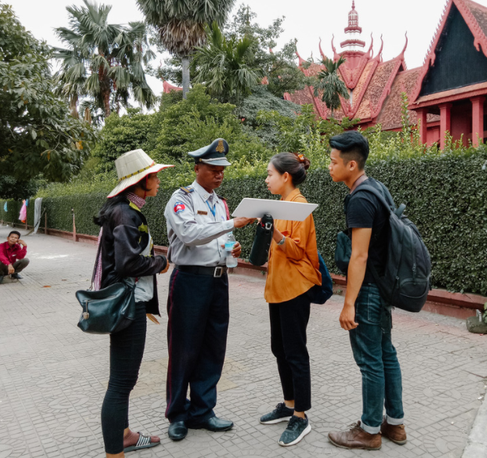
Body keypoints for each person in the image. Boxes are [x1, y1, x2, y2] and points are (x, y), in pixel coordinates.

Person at [164, 138, 255, 442]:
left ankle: (203, 410)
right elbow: (189, 234)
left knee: (213, 347)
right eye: (213, 169)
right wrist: (231, 225)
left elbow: (219, 242)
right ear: (198, 167)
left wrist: (232, 250)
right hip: (189, 280)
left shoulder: (221, 203)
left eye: (222, 170)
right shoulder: (182, 198)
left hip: (218, 280)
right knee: (184, 349)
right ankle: (177, 413)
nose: (219, 174)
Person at [326, 131, 406, 450]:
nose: (329, 166)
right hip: (383, 286)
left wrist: (348, 304)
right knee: (386, 355)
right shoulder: (378, 188)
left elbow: (358, 256)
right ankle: (394, 425)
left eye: (333, 162)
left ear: (352, 164)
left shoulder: (360, 198)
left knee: (371, 360)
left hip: (369, 290)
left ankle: (370, 430)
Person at [93, 149, 173, 457]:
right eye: (154, 176)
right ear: (140, 182)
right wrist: (159, 263)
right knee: (122, 381)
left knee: (124, 378)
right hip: (128, 305)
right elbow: (127, 264)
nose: (158, 180)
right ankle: (115, 451)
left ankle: (124, 434)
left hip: (127, 302)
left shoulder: (123, 210)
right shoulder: (126, 214)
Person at [259, 152, 321, 446]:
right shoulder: (280, 205)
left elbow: (297, 251)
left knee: (295, 351)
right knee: (279, 347)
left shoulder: (299, 207)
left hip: (295, 289)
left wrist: (277, 237)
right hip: (278, 289)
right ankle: (289, 403)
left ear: (286, 177)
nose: (266, 179)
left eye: (270, 174)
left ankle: (301, 416)